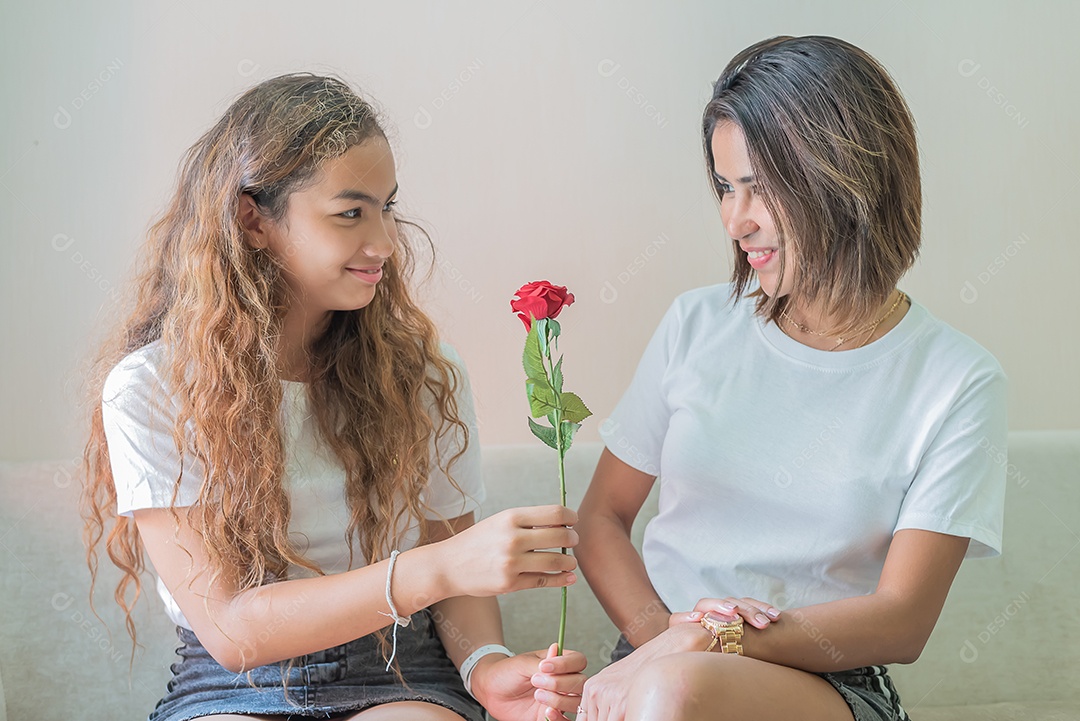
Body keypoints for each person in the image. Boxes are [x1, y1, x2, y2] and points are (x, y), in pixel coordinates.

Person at [80, 73, 585, 721]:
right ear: (252, 221)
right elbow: (233, 629)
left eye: (387, 207)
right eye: (351, 212)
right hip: (234, 683)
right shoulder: (150, 388)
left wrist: (486, 665)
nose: (384, 242)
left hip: (400, 669)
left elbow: (453, 572)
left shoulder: (426, 376)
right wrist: (439, 567)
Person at [570, 36, 1007, 721]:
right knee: (668, 690)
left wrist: (716, 641)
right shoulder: (695, 325)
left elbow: (902, 620)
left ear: (848, 179)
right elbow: (600, 518)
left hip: (825, 683)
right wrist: (666, 637)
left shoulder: (957, 380)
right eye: (724, 186)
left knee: (675, 692)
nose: (735, 220)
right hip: (655, 665)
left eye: (762, 188)